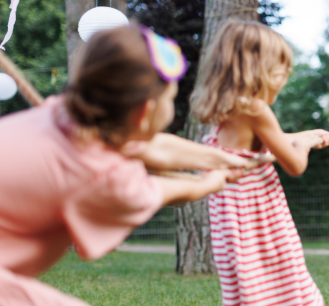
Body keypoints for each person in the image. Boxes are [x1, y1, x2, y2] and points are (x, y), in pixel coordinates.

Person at [0, 25, 252, 306]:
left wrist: (224, 158)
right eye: (169, 99)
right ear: (145, 112)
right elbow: (171, 191)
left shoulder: (62, 116)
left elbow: (157, 147)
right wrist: (212, 182)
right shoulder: (103, 176)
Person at [191, 20, 329, 306]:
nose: (284, 79)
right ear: (259, 69)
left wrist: (305, 135)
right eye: (281, 72)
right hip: (258, 217)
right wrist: (303, 144)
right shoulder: (256, 108)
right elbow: (294, 164)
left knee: (252, 285)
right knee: (287, 282)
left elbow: (263, 143)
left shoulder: (226, 107)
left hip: (232, 221)